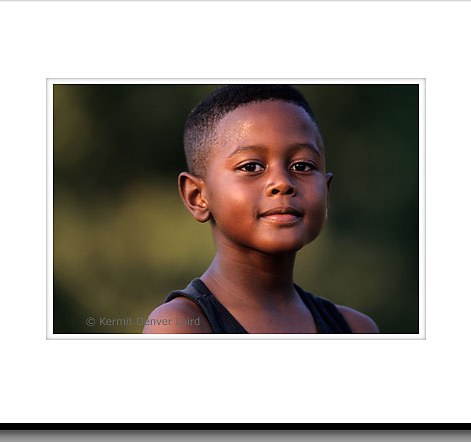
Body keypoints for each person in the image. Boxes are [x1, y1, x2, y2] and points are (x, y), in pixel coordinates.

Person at [143, 85, 379, 334]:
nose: (282, 183)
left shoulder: (355, 330)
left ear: (327, 191)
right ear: (197, 196)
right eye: (251, 167)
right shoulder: (180, 326)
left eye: (301, 165)